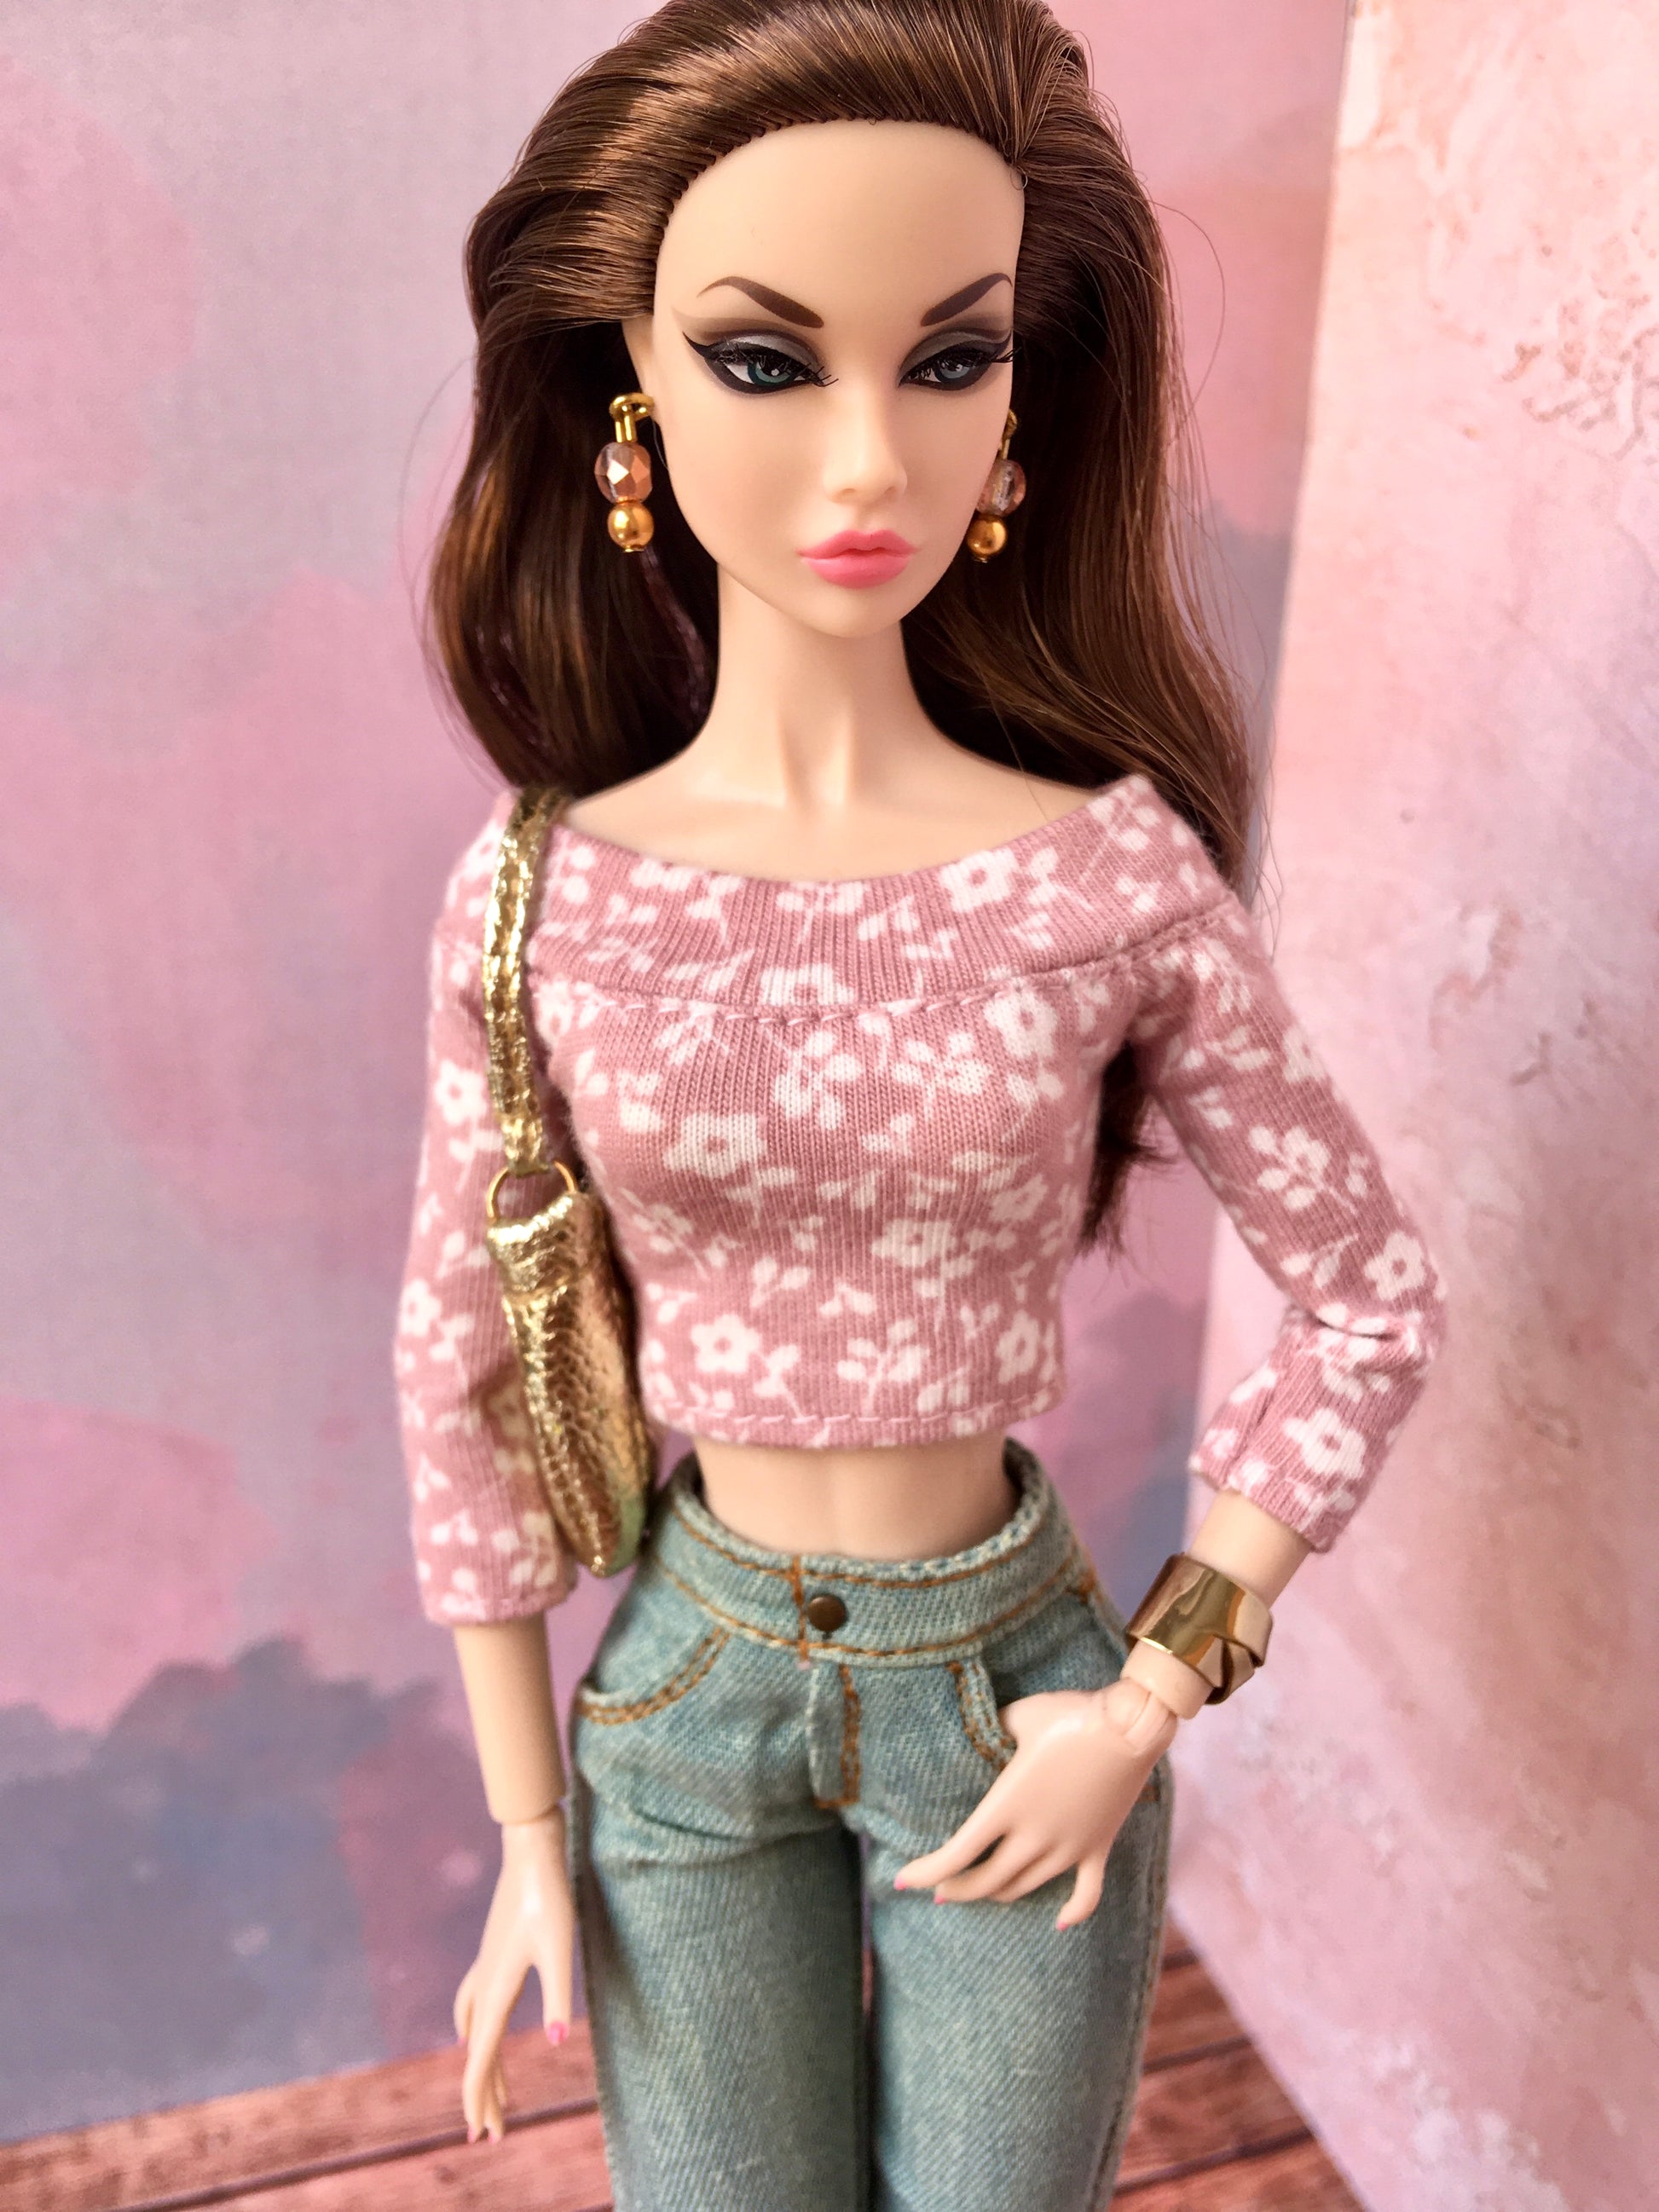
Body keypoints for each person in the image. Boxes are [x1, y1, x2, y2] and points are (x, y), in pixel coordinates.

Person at [392, 4, 1448, 2204]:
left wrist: (1149, 1692)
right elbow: (457, 1368)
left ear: (1021, 397)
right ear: (631, 380)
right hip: (684, 1692)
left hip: (1013, 1691)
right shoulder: (542, 894)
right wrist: (518, 1830)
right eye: (765, 361)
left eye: (948, 359)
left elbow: (1367, 1294)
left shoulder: (1104, 878)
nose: (870, 461)